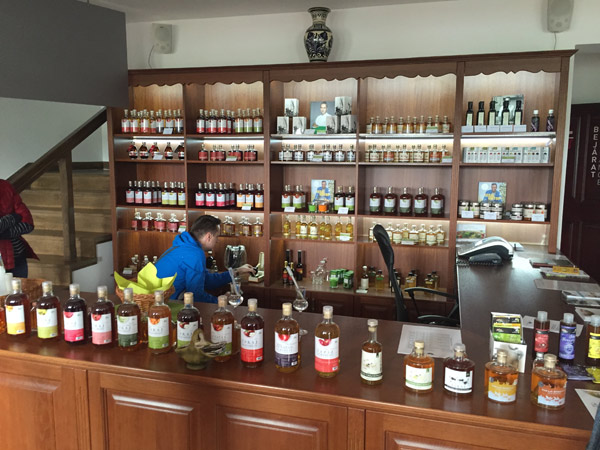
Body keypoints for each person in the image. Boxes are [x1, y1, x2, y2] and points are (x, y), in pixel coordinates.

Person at [155, 215, 255, 303]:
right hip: (168, 304)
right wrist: (221, 302)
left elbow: (206, 280)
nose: (217, 241)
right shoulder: (195, 254)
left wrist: (236, 271)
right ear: (209, 236)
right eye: (217, 236)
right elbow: (196, 296)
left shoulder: (183, 246)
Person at [0, 180, 37, 277]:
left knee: (21, 287)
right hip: (2, 262)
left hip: (17, 257)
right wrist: (13, 218)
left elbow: (28, 224)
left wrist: (5, 232)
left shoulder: (5, 186)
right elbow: (19, 216)